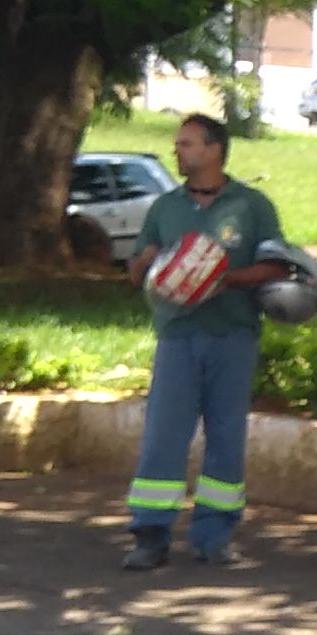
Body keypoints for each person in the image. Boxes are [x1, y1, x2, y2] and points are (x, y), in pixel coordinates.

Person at [123, 115, 288, 571]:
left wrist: (224, 278)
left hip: (233, 335)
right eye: (178, 144)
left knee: (226, 436)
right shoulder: (165, 208)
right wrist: (149, 263)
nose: (178, 151)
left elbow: (277, 266)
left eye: (187, 143)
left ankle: (215, 536)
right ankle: (150, 535)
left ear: (214, 150)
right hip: (178, 335)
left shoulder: (252, 207)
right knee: (163, 435)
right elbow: (136, 271)